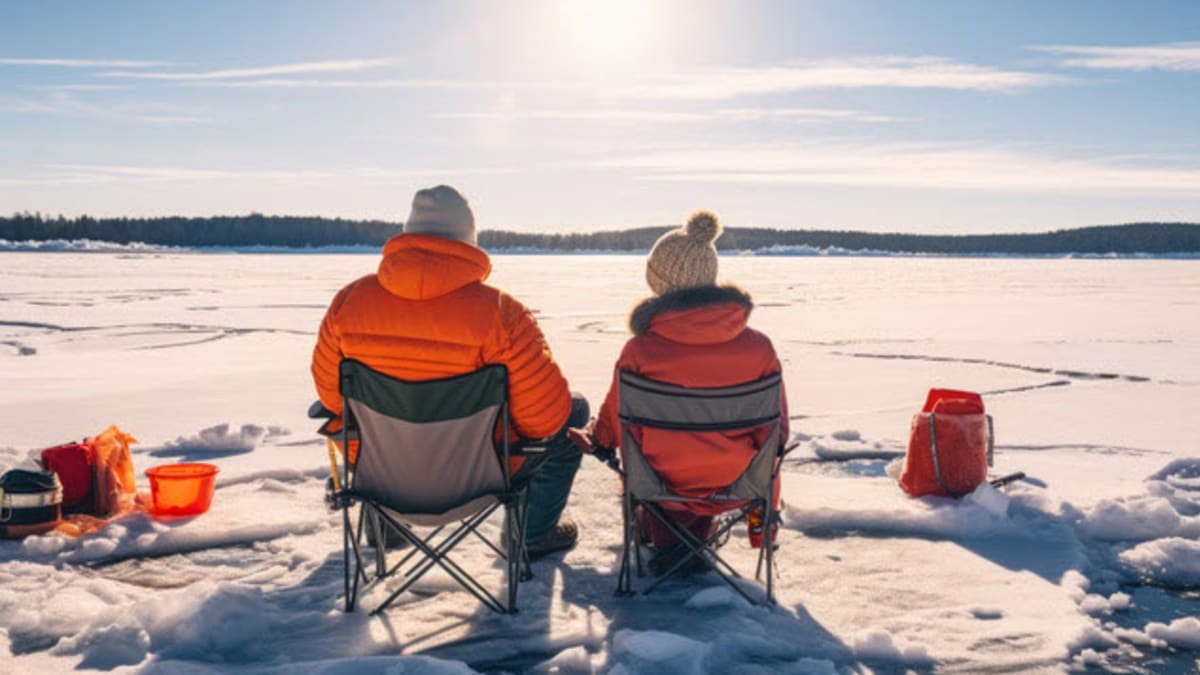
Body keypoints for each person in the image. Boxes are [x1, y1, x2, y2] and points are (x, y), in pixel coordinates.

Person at [311, 185, 585, 557]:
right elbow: (544, 420)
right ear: (467, 241)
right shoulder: (502, 314)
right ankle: (531, 535)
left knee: (362, 428)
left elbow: (332, 398)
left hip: (379, 477)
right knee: (575, 411)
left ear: (407, 234)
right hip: (479, 478)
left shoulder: (350, 302)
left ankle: (384, 529)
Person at [572, 210, 788, 574]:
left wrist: (597, 438)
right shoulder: (759, 348)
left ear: (658, 284)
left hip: (659, 480)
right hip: (738, 479)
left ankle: (670, 541)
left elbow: (613, 424)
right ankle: (689, 541)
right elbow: (777, 432)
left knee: (651, 470)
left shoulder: (641, 351)